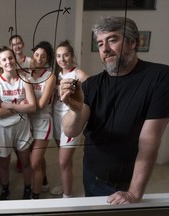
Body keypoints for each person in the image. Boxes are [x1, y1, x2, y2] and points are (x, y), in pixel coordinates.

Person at [60, 16, 169, 204]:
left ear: (133, 42)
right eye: (100, 43)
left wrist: (134, 193)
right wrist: (75, 111)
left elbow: (149, 141)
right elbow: (70, 130)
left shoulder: (159, 78)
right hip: (91, 175)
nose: (105, 49)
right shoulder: (92, 85)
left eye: (112, 39)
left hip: (127, 184)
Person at [0, 46, 36, 200]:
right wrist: (21, 108)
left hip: (22, 127)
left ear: (15, 59)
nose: (8, 61)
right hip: (3, 129)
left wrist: (11, 106)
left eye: (10, 58)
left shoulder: (25, 80)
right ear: (0, 63)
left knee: (25, 162)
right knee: (4, 163)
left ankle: (27, 188)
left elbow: (33, 106)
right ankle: (5, 188)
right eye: (4, 59)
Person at [52, 40, 89, 198]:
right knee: (65, 160)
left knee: (63, 161)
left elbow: (92, 88)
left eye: (66, 55)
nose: (62, 59)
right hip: (56, 116)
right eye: (59, 56)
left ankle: (67, 198)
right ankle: (65, 184)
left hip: (71, 118)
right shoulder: (56, 74)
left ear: (72, 56)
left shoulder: (77, 73)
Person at [28, 41, 56, 199]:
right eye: (37, 54)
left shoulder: (50, 76)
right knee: (37, 158)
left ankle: (35, 196)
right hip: (28, 120)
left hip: (43, 121)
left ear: (48, 59)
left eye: (43, 56)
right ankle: (43, 181)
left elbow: (41, 104)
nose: (39, 58)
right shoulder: (28, 73)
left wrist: (20, 106)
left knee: (34, 163)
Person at [9, 34, 33, 171]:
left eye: (19, 43)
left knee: (27, 135)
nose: (16, 46)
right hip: (15, 100)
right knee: (14, 136)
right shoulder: (9, 61)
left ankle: (26, 159)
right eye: (13, 44)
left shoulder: (29, 61)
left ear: (23, 45)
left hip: (27, 99)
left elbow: (35, 78)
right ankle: (19, 158)